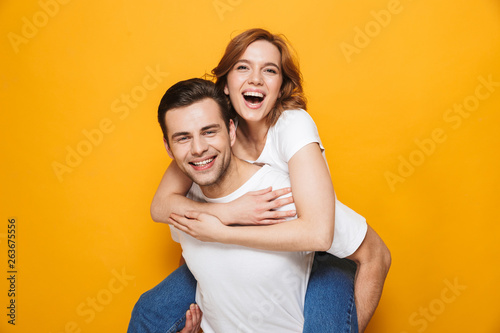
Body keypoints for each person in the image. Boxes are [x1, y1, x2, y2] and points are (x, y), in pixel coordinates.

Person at [129, 29, 391, 333]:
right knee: (149, 311)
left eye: (269, 70)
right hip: (247, 244)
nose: (255, 79)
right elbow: (162, 205)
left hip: (316, 247)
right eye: (243, 67)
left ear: (281, 87)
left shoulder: (292, 127)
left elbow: (320, 233)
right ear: (225, 84)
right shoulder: (207, 133)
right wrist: (228, 214)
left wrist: (222, 233)